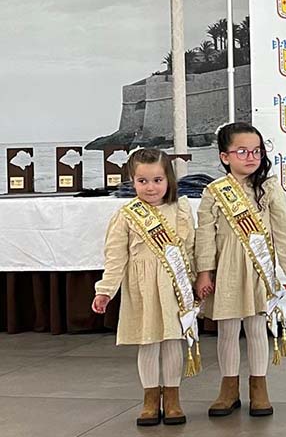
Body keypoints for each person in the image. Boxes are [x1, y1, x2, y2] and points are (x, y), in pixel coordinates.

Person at [194, 122, 286, 417]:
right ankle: (228, 389)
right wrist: (204, 271)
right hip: (226, 269)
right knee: (228, 330)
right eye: (241, 151)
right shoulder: (215, 192)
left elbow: (282, 229)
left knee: (256, 329)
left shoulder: (269, 188)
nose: (250, 157)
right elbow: (204, 234)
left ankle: (259, 388)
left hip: (258, 270)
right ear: (224, 156)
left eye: (256, 151)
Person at [92, 148, 198, 426]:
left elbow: (190, 249)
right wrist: (105, 290)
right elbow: (115, 257)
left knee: (172, 341)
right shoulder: (127, 215)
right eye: (142, 181)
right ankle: (150, 398)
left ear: (168, 179)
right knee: (148, 341)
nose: (150, 187)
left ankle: (172, 397)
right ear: (132, 181)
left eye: (157, 180)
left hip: (173, 287)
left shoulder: (181, 210)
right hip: (142, 288)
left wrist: (197, 281)